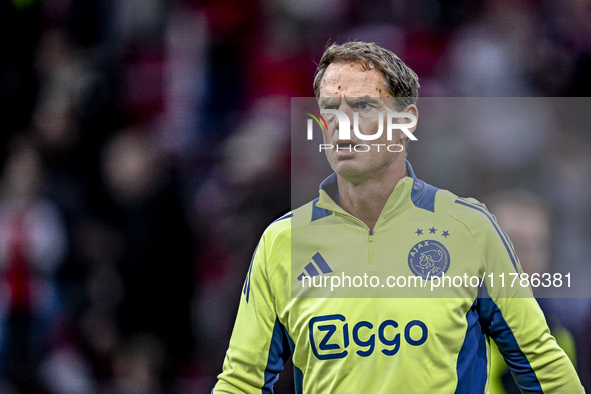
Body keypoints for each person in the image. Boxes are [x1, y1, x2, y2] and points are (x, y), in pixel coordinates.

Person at [212, 41, 584, 393]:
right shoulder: (283, 241)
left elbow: (540, 361)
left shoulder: (469, 228)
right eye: (329, 108)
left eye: (362, 107)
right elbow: (242, 380)